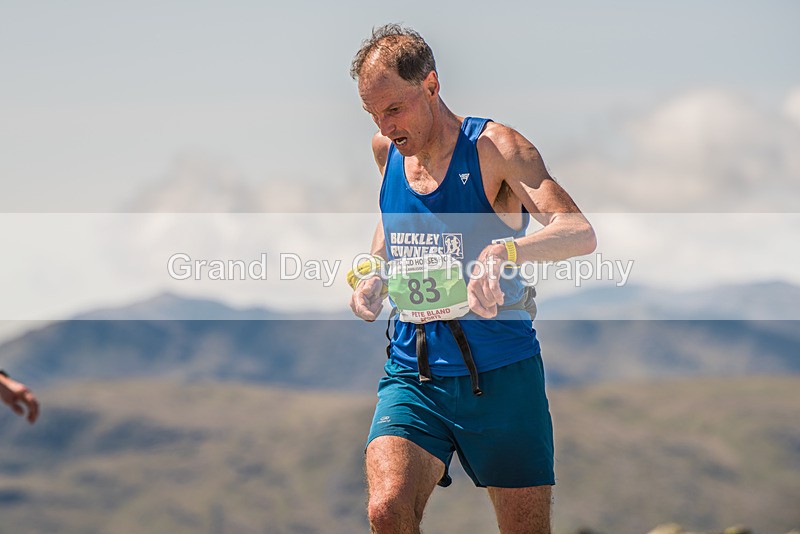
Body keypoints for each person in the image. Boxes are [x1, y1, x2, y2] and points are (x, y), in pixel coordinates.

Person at [348, 24, 596, 534]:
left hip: (502, 371)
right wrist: (372, 269)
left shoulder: (494, 148)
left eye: (393, 108)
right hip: (413, 371)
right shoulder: (387, 150)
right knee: (386, 509)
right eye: (372, 112)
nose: (385, 125)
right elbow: (392, 219)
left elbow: (578, 232)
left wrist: (506, 251)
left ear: (432, 86)